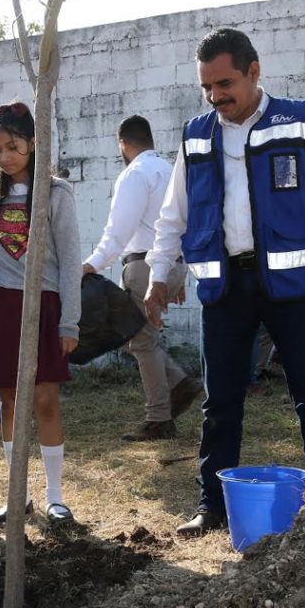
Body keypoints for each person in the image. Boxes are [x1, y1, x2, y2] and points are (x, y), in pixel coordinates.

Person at [145, 28, 305, 537]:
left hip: (295, 288)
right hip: (225, 289)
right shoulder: (196, 134)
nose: (216, 96)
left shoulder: (301, 120)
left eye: (225, 83)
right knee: (219, 401)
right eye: (207, 87)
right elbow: (172, 217)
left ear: (254, 72)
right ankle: (212, 507)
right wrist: (160, 275)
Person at [0, 101, 80, 527]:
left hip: (45, 304)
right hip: (1, 306)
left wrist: (69, 320)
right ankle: (16, 493)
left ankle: (55, 496)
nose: (5, 156)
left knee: (44, 400)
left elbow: (71, 259)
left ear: (34, 144)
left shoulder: (55, 193)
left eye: (14, 146)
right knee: (7, 402)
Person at [81, 115, 204, 442]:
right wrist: (179, 272)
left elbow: (117, 232)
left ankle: (159, 419)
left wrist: (91, 264)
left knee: (141, 341)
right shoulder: (169, 171)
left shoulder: (135, 174)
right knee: (142, 337)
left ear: (123, 143)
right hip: (168, 265)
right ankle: (181, 384)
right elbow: (186, 224)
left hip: (145, 266)